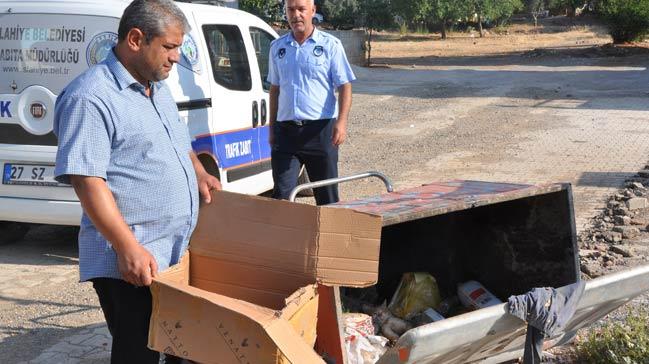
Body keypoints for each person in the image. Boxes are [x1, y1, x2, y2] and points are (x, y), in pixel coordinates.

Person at [53, 1, 221, 363]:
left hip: (172, 253)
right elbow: (87, 180)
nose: (176, 57)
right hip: (132, 263)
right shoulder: (91, 97)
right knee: (138, 354)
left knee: (181, 346)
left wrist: (198, 172)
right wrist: (127, 247)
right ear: (135, 39)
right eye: (169, 46)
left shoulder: (154, 85)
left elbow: (177, 141)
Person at [268, 0, 356, 205]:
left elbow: (345, 86)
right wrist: (272, 128)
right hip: (286, 133)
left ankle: (330, 237)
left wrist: (341, 123)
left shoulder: (330, 45)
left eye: (301, 9)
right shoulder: (277, 47)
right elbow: (275, 90)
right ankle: (288, 237)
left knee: (327, 198)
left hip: (321, 131)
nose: (296, 15)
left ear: (313, 11)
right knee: (282, 196)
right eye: (290, 10)